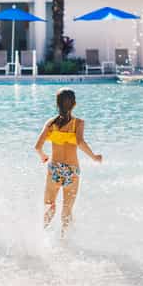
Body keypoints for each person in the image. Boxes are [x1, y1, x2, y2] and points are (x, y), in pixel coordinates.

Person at [35, 88, 102, 237]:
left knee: (49, 206)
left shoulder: (51, 123)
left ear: (57, 104)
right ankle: (65, 242)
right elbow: (80, 142)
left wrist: (43, 156)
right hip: (72, 170)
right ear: (74, 104)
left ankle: (40, 238)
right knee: (67, 209)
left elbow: (37, 147)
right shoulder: (78, 123)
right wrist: (94, 157)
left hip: (54, 169)